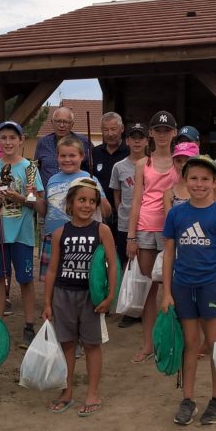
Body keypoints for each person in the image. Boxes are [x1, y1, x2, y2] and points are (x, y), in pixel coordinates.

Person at [161, 155, 216, 426]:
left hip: (212, 287)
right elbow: (169, 254)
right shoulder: (176, 213)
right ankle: (188, 399)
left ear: (215, 182)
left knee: (215, 344)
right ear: (185, 180)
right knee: (190, 344)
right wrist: (167, 291)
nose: (199, 183)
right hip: (183, 287)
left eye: (206, 179)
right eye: (194, 178)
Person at [43, 178, 117, 416]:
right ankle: (67, 391)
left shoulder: (102, 230)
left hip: (90, 297)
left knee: (92, 345)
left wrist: (110, 296)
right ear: (70, 203)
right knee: (67, 344)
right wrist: (47, 302)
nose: (86, 205)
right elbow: (52, 269)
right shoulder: (59, 233)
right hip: (63, 295)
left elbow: (112, 265)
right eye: (81, 200)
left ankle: (93, 392)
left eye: (91, 201)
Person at [0, 121, 46, 346]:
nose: (8, 142)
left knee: (25, 279)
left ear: (21, 140)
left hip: (22, 235)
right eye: (4, 137)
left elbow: (40, 204)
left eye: (12, 138)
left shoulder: (30, 168)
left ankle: (28, 325)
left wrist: (22, 198)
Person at [127, 111, 179, 362]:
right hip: (147, 226)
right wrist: (130, 235)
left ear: (174, 133)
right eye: (157, 130)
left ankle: (172, 340)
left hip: (172, 228)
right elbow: (136, 200)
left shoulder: (180, 162)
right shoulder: (141, 164)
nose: (161, 134)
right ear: (151, 133)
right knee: (149, 287)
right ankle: (148, 343)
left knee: (172, 287)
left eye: (166, 130)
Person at [41, 135, 111, 282]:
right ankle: (52, 304)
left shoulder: (89, 179)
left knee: (76, 278)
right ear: (57, 157)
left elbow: (107, 211)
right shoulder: (52, 180)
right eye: (63, 156)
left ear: (82, 156)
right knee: (51, 277)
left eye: (72, 155)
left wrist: (97, 192)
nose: (67, 160)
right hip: (52, 236)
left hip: (79, 238)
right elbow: (46, 209)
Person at [110, 123, 148, 328]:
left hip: (147, 222)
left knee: (146, 266)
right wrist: (123, 213)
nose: (137, 141)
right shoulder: (119, 167)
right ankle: (130, 307)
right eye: (133, 137)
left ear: (146, 141)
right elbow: (117, 196)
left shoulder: (151, 165)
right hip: (126, 223)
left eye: (141, 137)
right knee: (127, 264)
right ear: (127, 140)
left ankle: (143, 307)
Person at [34, 106, 92, 188]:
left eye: (66, 122)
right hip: (48, 196)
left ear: (72, 124)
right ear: (52, 122)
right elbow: (36, 169)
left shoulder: (84, 142)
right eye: (58, 121)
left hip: (75, 195)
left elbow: (91, 167)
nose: (61, 125)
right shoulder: (42, 143)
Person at [162, 142, 199, 214]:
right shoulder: (169, 194)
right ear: (173, 162)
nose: (183, 164)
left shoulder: (206, 189)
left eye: (188, 160)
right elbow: (169, 222)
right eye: (178, 161)